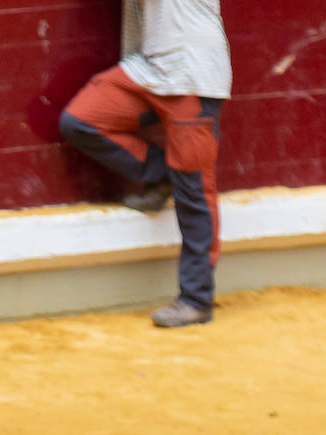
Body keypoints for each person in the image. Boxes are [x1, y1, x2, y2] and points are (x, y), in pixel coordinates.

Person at [59, 0, 232, 327]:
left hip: (192, 71)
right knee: (80, 121)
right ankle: (165, 176)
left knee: (195, 193)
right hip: (147, 68)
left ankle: (196, 300)